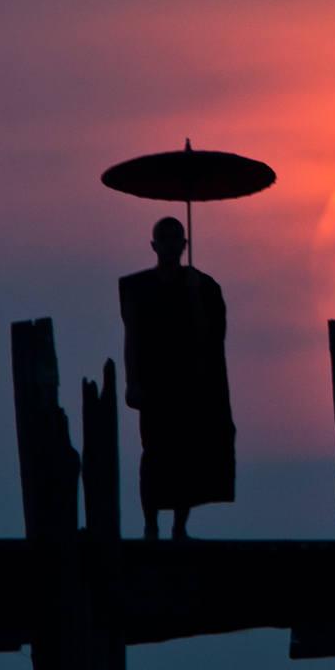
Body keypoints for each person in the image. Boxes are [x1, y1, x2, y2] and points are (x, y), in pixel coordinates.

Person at [119, 216, 235, 540]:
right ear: (154, 246)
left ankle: (179, 528)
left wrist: (195, 295)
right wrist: (132, 382)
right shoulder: (139, 289)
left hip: (189, 383)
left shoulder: (202, 285)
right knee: (154, 454)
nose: (171, 246)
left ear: (185, 245)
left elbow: (212, 335)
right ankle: (151, 525)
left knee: (186, 454)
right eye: (165, 240)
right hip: (154, 385)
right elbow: (133, 338)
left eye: (176, 240)